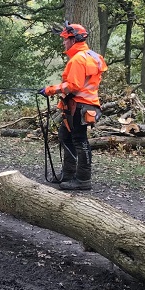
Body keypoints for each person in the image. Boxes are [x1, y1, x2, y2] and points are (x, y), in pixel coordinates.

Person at [38, 23, 108, 190]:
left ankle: (83, 179)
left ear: (74, 39)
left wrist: (51, 90)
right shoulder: (92, 56)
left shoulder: (78, 59)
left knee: (79, 140)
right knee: (65, 135)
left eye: (65, 39)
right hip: (83, 105)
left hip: (79, 106)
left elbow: (73, 86)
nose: (63, 43)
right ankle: (68, 173)